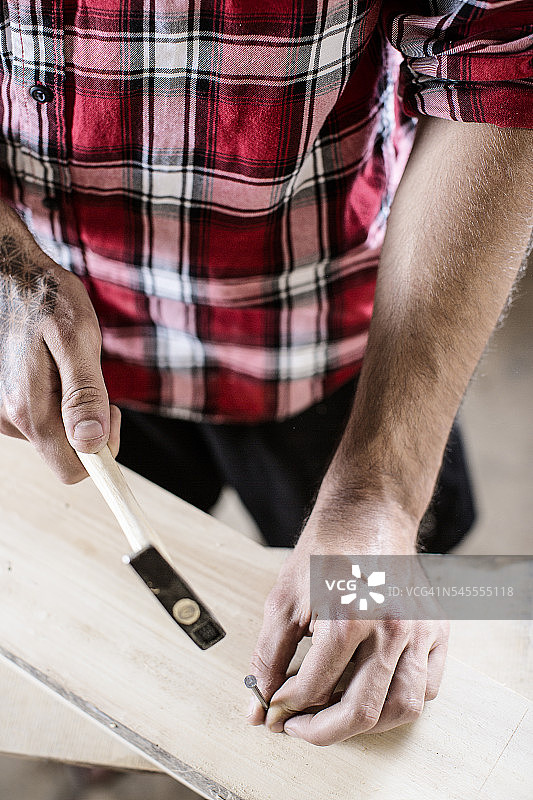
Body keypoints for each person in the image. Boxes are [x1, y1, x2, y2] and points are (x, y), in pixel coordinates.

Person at [0, 0, 531, 746]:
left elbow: (500, 63)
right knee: (111, 614)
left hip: (343, 349)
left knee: (384, 620)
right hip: (68, 359)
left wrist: (382, 490)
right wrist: (6, 266)